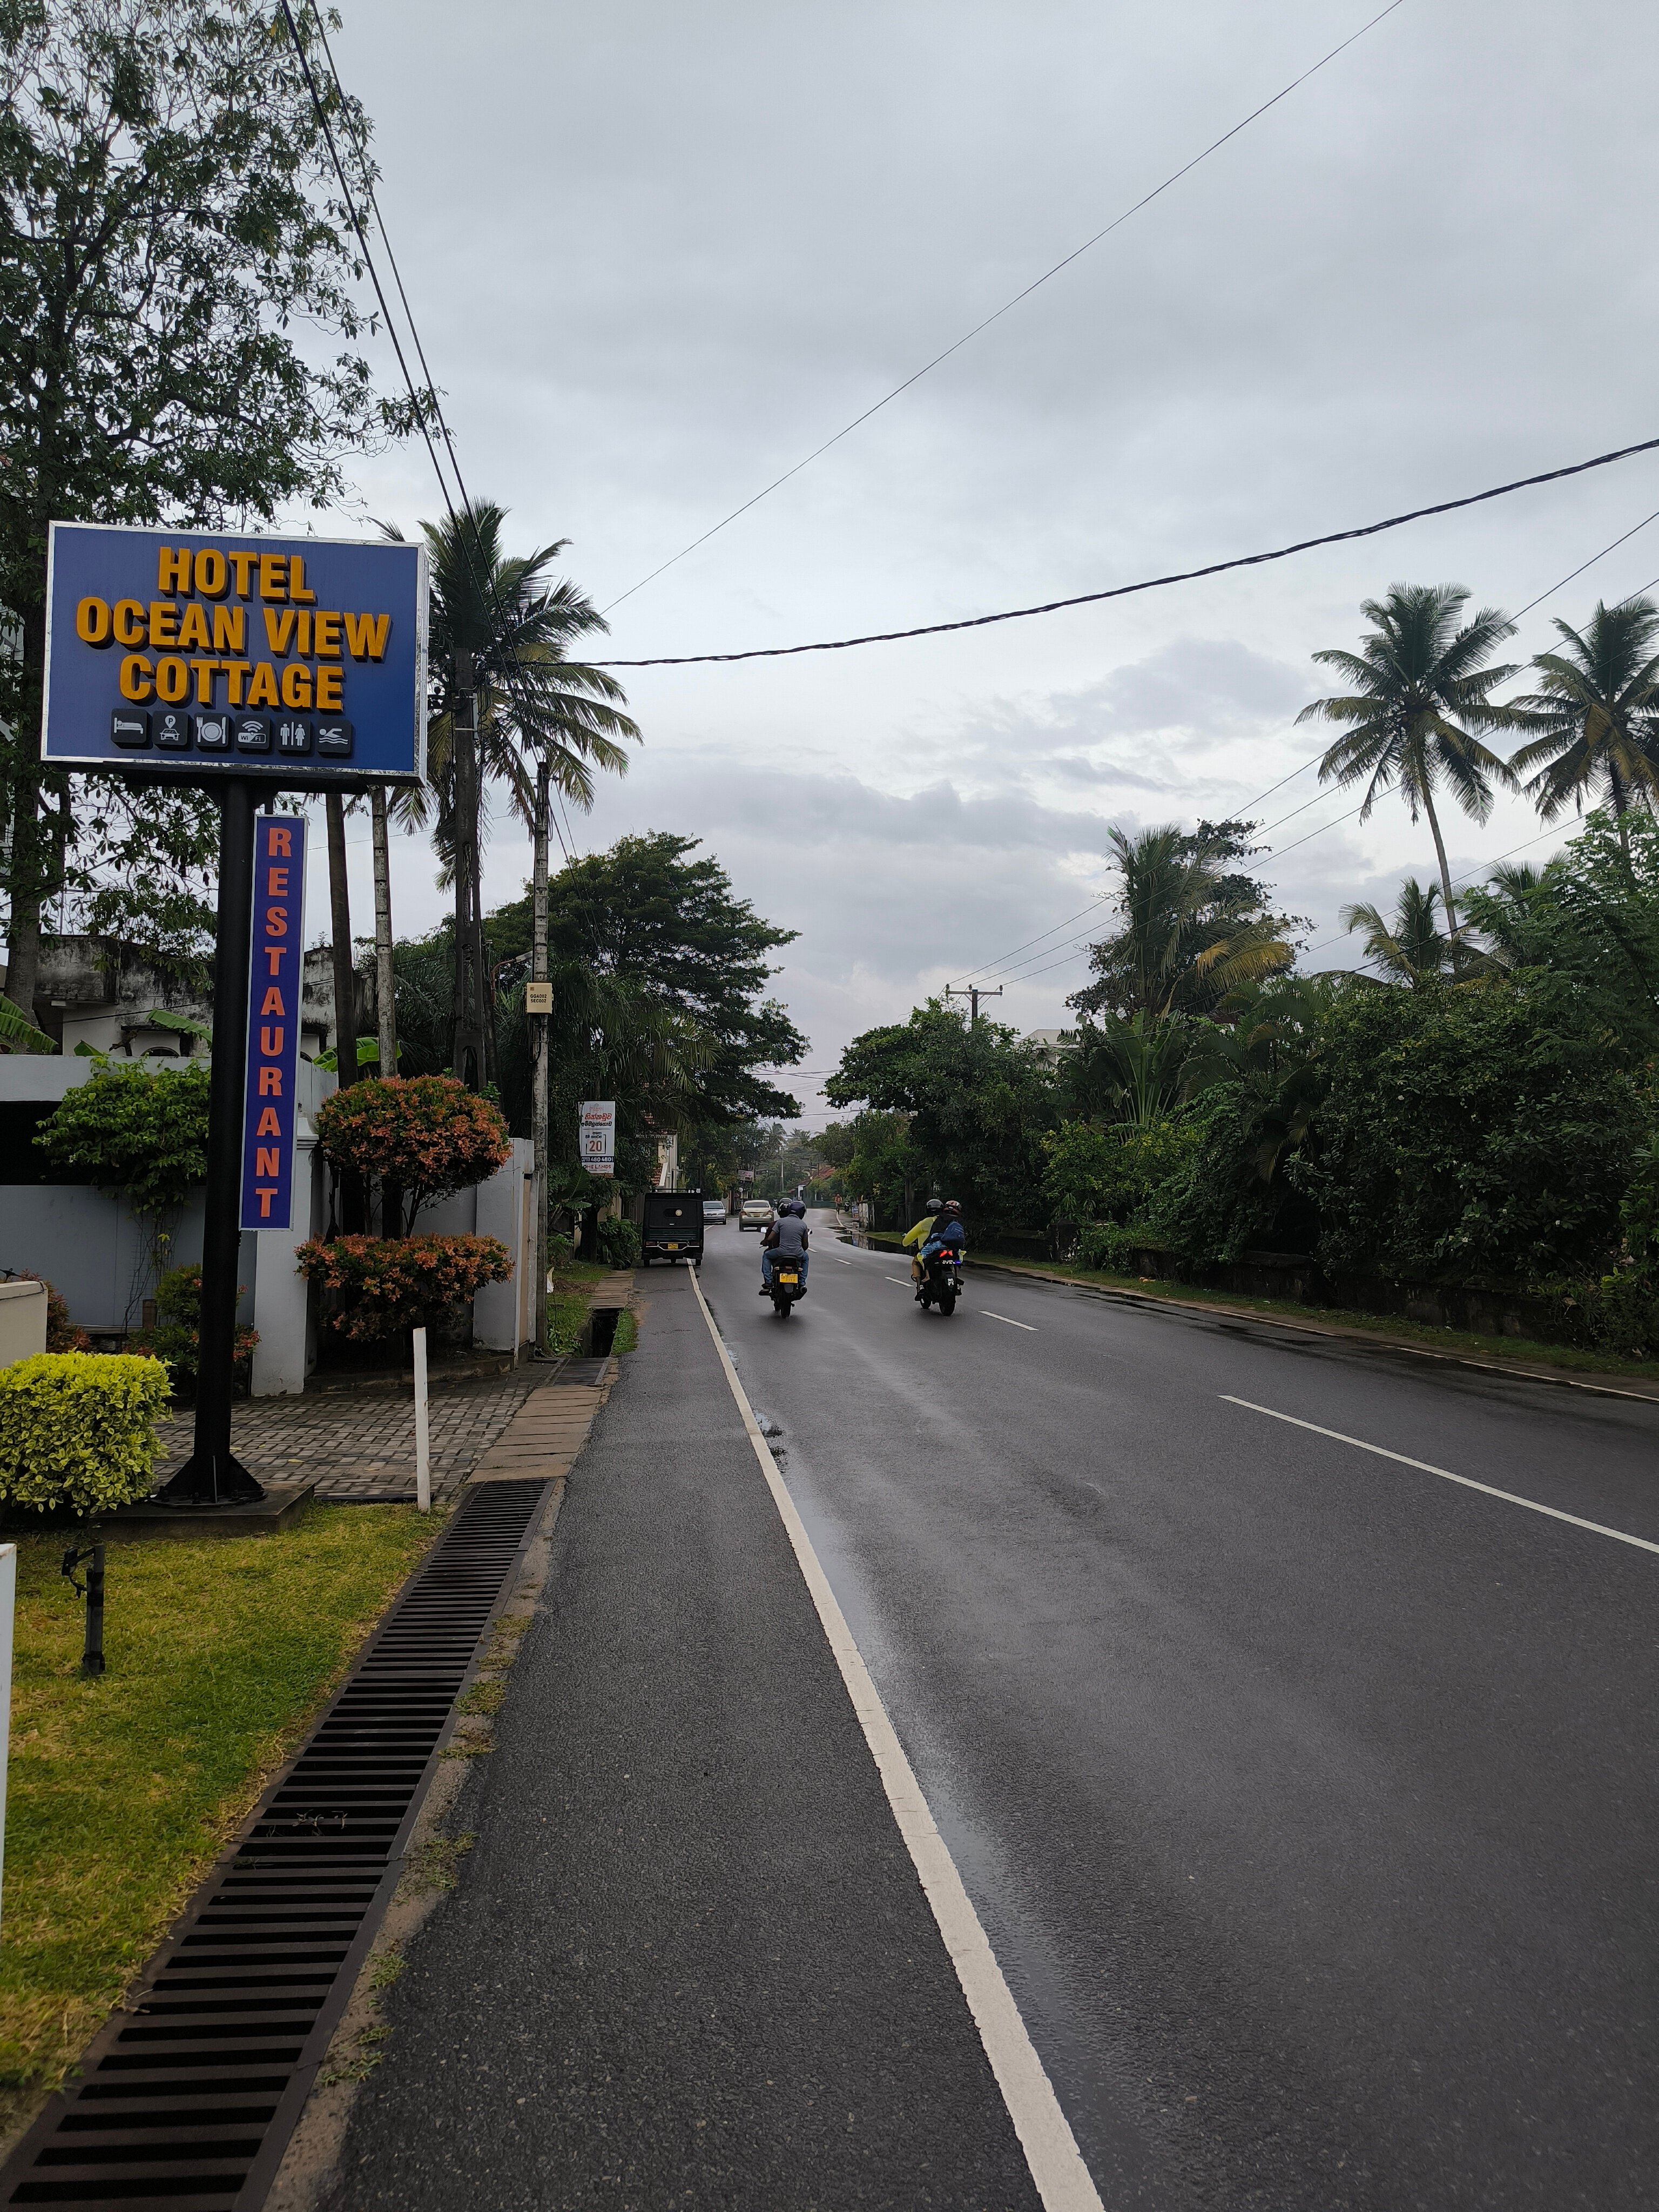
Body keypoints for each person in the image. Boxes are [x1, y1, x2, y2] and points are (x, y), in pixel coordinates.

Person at [915, 1199, 965, 1300]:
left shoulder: (939, 1220)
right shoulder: (956, 1221)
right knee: (956, 1259)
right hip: (953, 1248)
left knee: (923, 1256)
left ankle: (927, 1277)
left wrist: (926, 1244)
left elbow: (932, 1235)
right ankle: (956, 1277)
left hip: (937, 1245)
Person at [760, 1199, 810, 1292]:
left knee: (766, 1256)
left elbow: (770, 1238)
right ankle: (802, 1282)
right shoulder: (803, 1225)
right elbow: (805, 1246)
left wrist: (766, 1241)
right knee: (806, 1258)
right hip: (798, 1254)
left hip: (781, 1252)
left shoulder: (781, 1222)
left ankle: (769, 1281)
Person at [903, 1196, 945, 1285]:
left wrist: (905, 1242)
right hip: (946, 1249)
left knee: (916, 1262)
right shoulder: (947, 1221)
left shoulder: (925, 1223)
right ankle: (956, 1278)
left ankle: (919, 1286)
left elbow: (907, 1240)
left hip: (929, 1251)